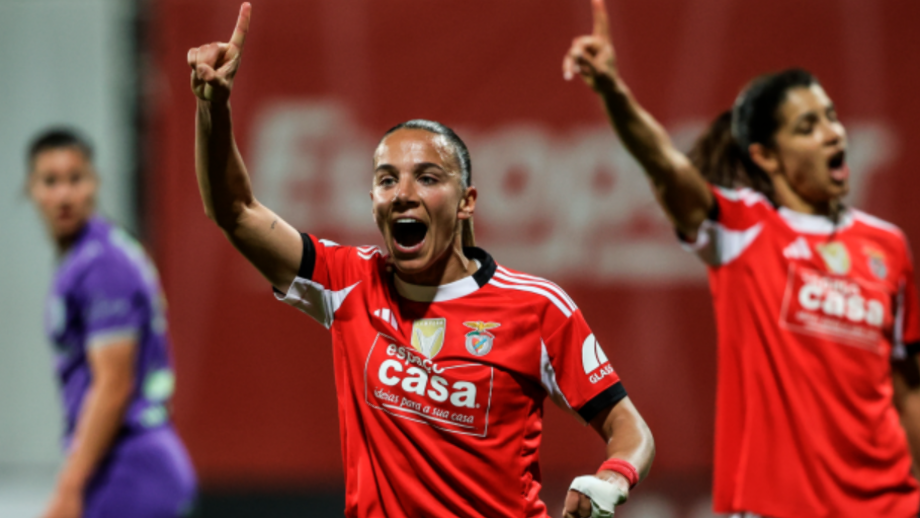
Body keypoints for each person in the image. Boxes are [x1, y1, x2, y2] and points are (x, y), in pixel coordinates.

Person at [186, 4, 654, 517]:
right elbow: (234, 210)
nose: (403, 193)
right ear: (371, 200)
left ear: (467, 200)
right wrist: (215, 107)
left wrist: (611, 479)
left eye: (427, 178)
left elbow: (629, 428)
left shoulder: (538, 308)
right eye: (387, 180)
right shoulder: (348, 281)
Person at [563, 1, 920, 517]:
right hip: (773, 508)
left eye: (831, 118)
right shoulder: (742, 230)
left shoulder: (888, 246)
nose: (832, 134)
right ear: (766, 156)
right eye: (807, 127)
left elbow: (908, 391)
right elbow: (665, 166)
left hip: (889, 507)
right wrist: (614, 92)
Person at [27, 128, 197, 518]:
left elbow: (113, 384)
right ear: (31, 189)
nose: (64, 195)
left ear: (95, 183)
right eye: (50, 181)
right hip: (122, 467)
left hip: (131, 467)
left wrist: (69, 487)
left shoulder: (101, 265)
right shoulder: (88, 258)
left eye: (75, 178)